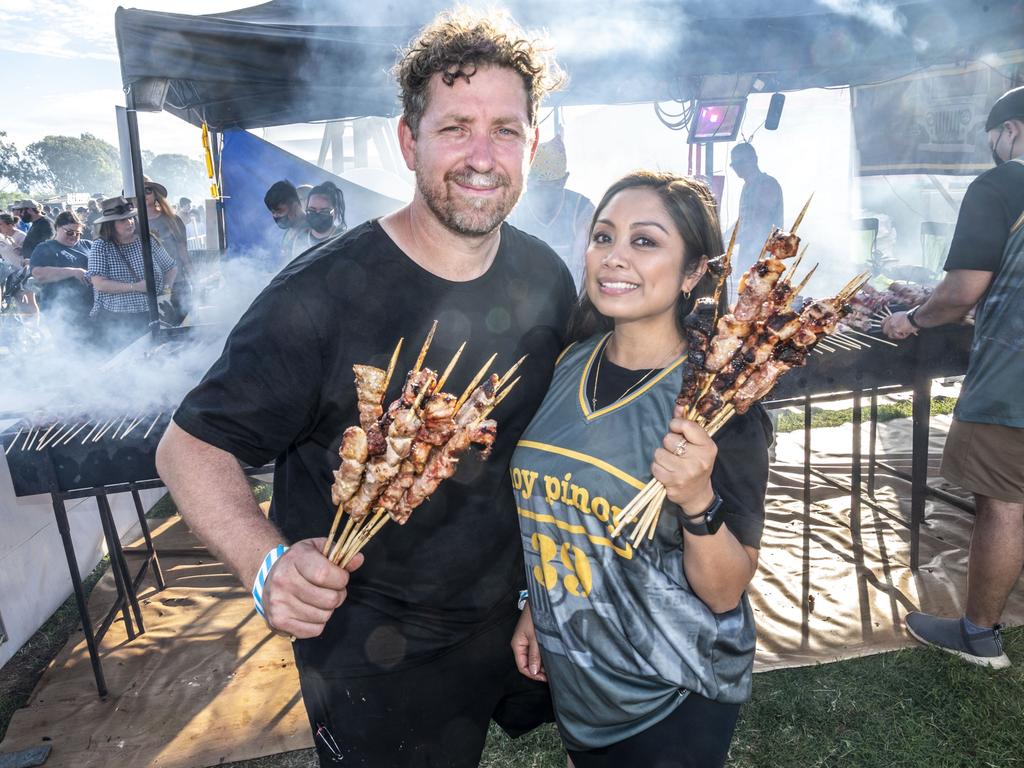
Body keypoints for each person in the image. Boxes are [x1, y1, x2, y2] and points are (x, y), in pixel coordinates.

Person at [156, 9, 572, 766]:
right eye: (455, 128)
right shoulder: (318, 297)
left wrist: (537, 598)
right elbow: (189, 449)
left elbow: (540, 451)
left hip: (494, 620)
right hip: (367, 646)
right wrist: (267, 564)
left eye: (506, 130)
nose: (483, 156)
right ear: (407, 141)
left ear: (532, 145)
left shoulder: (545, 279)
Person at [509, 171, 770, 768]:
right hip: (579, 675)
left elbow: (726, 590)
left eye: (645, 242)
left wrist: (699, 500)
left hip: (671, 689)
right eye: (604, 236)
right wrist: (536, 601)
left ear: (693, 272)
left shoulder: (718, 406)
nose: (614, 257)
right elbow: (560, 508)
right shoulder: (568, 361)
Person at [883, 86, 1024, 669]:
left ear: (1009, 130)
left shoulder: (1000, 184)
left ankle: (978, 635)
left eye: (993, 139)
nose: (991, 149)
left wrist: (911, 318)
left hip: (1015, 375)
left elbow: (962, 291)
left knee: (1004, 500)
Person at [87, 196, 177, 348]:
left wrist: (166, 292)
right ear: (110, 224)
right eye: (122, 220)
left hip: (151, 313)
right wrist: (135, 286)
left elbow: (171, 267)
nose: (129, 223)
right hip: (117, 318)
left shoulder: (147, 240)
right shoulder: (100, 246)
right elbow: (99, 283)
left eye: (130, 218)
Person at [508, 132, 595, 287]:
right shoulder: (514, 211)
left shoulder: (582, 210)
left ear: (564, 180)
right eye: (537, 188)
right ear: (528, 182)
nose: (543, 195)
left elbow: (584, 265)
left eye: (550, 187)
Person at [29, 211, 95, 339]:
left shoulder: (88, 245)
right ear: (58, 228)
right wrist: (73, 271)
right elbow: (38, 273)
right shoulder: (45, 247)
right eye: (69, 232)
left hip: (89, 307)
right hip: (60, 310)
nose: (74, 236)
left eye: (78, 233)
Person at [729, 143, 783, 276]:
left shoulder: (767, 184)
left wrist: (729, 242)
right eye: (734, 165)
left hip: (764, 258)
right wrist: (721, 238)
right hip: (747, 256)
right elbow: (742, 221)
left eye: (741, 162)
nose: (737, 168)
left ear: (754, 159)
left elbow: (758, 224)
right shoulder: (746, 186)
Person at [284, 180, 347, 261]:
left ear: (335, 213)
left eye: (324, 211)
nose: (317, 214)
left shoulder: (344, 240)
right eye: (312, 210)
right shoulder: (297, 240)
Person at [263, 179, 310, 261]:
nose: (275, 216)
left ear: (295, 206)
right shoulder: (288, 234)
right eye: (273, 212)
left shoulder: (314, 229)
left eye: (279, 211)